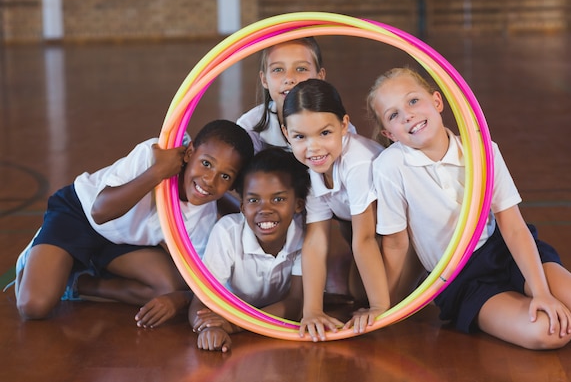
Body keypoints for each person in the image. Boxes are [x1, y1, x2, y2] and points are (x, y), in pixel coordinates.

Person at [367, 67, 571, 350]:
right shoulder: (389, 167)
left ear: (437, 101)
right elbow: (395, 245)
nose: (407, 115)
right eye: (393, 115)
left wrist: (541, 292)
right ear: (388, 133)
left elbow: (513, 227)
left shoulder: (482, 151)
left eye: (413, 101)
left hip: (505, 252)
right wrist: (384, 308)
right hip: (462, 278)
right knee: (551, 333)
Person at [14, 119, 254, 328]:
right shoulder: (155, 153)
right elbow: (99, 212)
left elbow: (197, 281)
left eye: (225, 176)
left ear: (232, 186)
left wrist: (176, 299)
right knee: (33, 306)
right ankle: (40, 251)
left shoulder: (204, 217)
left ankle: (78, 283)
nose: (209, 180)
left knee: (169, 286)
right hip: (82, 215)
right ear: (190, 152)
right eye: (206, 163)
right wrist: (158, 171)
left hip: (124, 241)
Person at [280, 78, 390, 342]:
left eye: (325, 133)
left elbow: (364, 239)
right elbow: (316, 240)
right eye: (300, 137)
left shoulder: (357, 162)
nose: (314, 147)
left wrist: (379, 307)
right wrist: (312, 310)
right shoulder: (315, 169)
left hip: (397, 234)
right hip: (363, 232)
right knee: (355, 291)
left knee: (368, 296)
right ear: (286, 133)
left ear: (343, 125)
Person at [189, 147, 309, 352]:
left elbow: (296, 303)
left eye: (278, 199)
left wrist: (235, 325)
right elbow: (200, 303)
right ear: (242, 207)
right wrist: (208, 329)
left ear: (298, 205)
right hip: (227, 310)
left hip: (240, 318)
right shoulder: (227, 232)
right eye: (254, 200)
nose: (265, 209)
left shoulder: (304, 237)